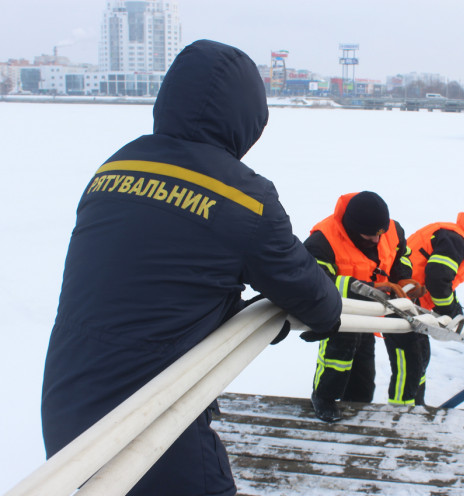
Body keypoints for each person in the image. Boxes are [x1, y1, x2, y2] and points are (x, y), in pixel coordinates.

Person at [40, 40, 342, 496]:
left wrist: (226, 310)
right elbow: (317, 301)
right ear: (249, 119)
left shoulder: (115, 167)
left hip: (65, 407)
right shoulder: (244, 198)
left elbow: (149, 283)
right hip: (154, 420)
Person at [304, 191, 417, 421]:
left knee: (364, 373)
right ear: (352, 228)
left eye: (380, 234)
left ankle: (359, 404)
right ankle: (323, 397)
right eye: (369, 236)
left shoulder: (391, 230)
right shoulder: (322, 241)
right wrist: (368, 289)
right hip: (339, 314)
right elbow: (315, 282)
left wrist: (403, 278)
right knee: (337, 358)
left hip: (370, 314)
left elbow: (401, 255)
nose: (377, 241)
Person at [406, 212, 464, 403]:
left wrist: (455, 308)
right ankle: (411, 409)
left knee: (418, 356)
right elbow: (437, 279)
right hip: (407, 300)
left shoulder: (450, 233)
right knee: (417, 357)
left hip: (407, 296)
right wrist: (448, 312)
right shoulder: (456, 239)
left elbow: (444, 282)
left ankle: (414, 405)